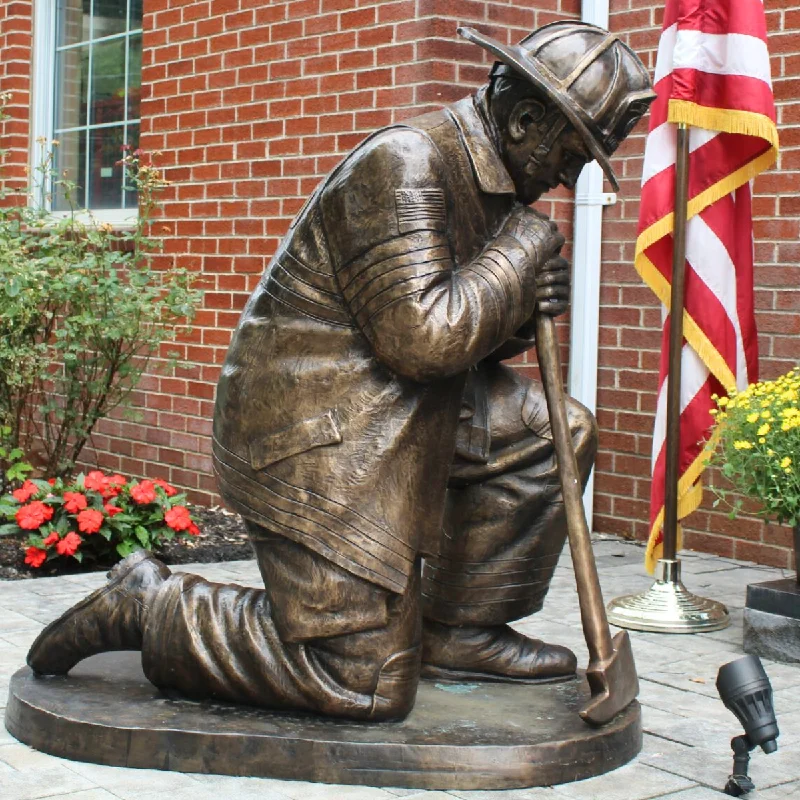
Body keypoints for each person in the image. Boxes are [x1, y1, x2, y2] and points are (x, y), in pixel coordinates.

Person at [27, 22, 656, 722]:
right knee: (364, 682)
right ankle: (155, 606)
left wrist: (516, 306)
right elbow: (422, 339)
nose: (569, 178)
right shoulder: (406, 161)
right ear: (527, 117)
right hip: (314, 429)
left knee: (551, 433)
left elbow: (461, 342)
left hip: (394, 403)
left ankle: (460, 630)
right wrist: (517, 257)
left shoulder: (496, 181)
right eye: (571, 154)